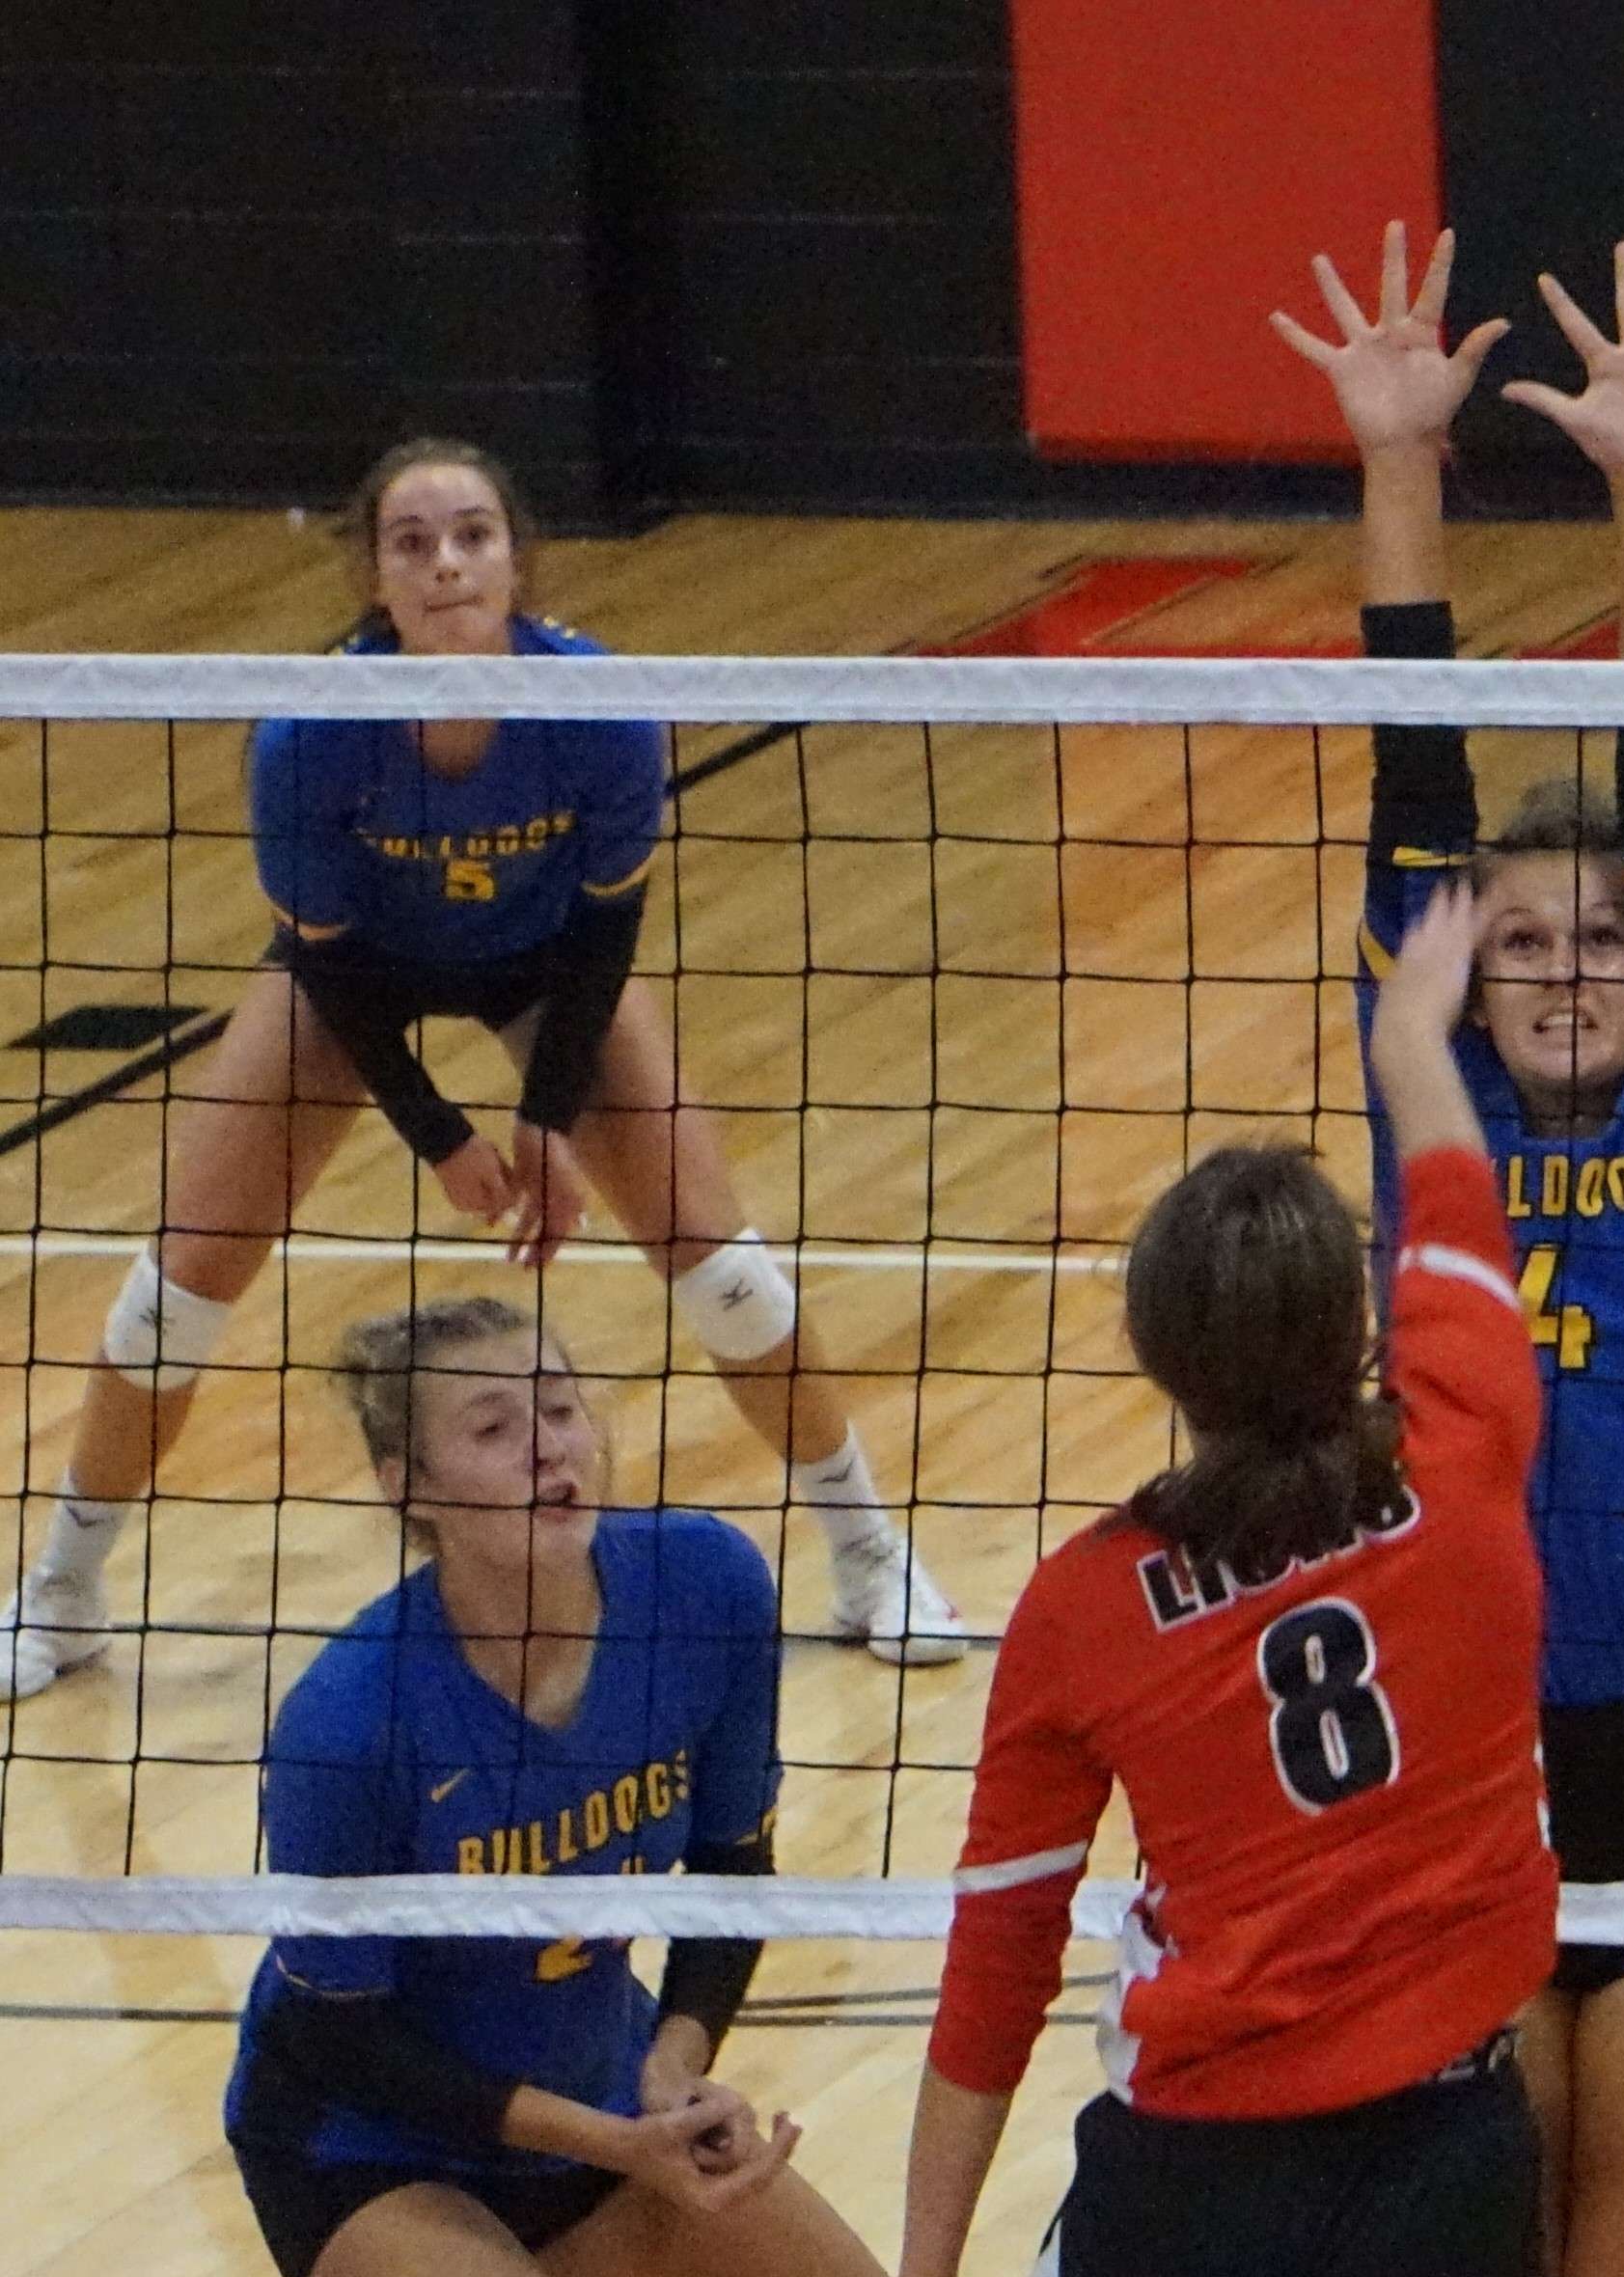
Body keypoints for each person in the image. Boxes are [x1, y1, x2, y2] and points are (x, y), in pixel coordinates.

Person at [2, 435, 959, 1701]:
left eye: (471, 536)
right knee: (176, 1292)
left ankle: (869, 1555)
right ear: (374, 575)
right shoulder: (308, 736)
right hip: (354, 975)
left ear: (516, 556)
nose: (446, 562)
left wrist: (549, 1114)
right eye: (413, 543)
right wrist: (445, 1134)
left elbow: (609, 924)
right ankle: (59, 1590)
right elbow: (329, 960)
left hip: (551, 962)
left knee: (723, 1268)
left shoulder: (599, 708)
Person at [1275, 224, 1624, 2277]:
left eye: (1603, 936)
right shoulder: (1439, 1101)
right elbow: (1417, 774)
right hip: (1459, 1763)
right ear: (1460, 981)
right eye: (1521, 937)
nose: (1571, 962)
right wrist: (1395, 466)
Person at [899, 883, 1556, 2277]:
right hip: (1449, 2161)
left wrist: (927, 2262)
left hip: (1197, 2187)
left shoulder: (1083, 1609)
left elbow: (999, 1950)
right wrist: (1412, 1047)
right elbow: (1453, 1212)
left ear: (1158, 1357)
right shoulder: (1467, 1443)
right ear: (1356, 1317)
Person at [222, 1292, 890, 2277]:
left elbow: (730, 1867)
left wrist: (670, 2072)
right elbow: (342, 2037)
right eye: (495, 1428)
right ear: (410, 1488)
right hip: (374, 2149)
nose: (549, 1448)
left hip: (606, 2105)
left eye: (563, 1409)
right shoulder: (351, 1721)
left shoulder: (706, 1589)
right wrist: (606, 2140)